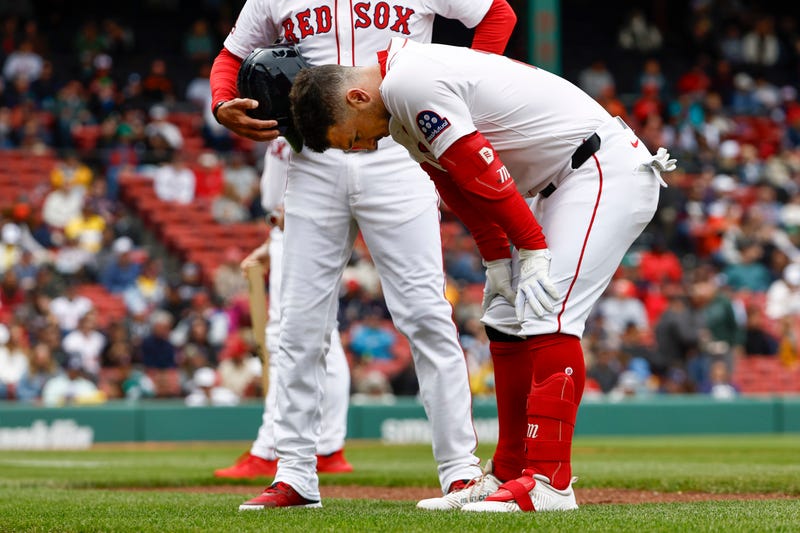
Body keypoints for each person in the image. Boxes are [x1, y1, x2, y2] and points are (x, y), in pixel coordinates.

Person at [289, 38, 676, 512]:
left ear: (356, 98)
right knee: (505, 316)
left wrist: (531, 249)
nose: (365, 146)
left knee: (546, 311)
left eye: (353, 137)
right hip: (557, 182)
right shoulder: (398, 104)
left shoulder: (410, 80)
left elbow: (482, 168)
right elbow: (458, 185)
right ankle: (511, 471)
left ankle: (551, 481)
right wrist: (496, 262)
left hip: (600, 167)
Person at [210, 0, 517, 511]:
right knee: (300, 325)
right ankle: (295, 473)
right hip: (311, 156)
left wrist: (459, 89)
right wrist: (223, 102)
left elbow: (497, 13)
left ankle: (460, 471)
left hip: (398, 149)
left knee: (425, 314)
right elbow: (231, 56)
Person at [213, 137, 353, 480]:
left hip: (301, 227)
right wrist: (270, 241)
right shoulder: (311, 111)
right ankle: (327, 447)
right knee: (323, 335)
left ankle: (271, 449)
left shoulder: (306, 113)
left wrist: (286, 227)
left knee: (287, 335)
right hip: (291, 228)